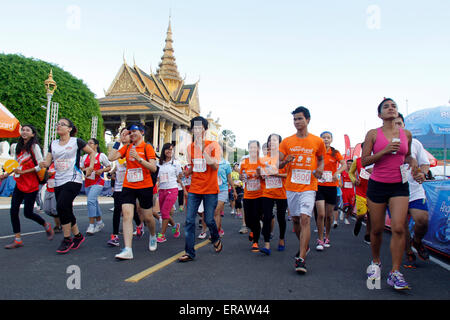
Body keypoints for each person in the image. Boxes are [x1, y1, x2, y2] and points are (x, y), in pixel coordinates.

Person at [362, 98, 418, 290]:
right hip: (377, 185)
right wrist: (384, 151)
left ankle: (395, 272)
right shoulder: (373, 134)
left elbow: (408, 155)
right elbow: (364, 161)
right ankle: (376, 262)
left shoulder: (406, 134)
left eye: (393, 106)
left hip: (399, 186)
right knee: (376, 230)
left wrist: (414, 166)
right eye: (386, 107)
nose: (391, 108)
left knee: (399, 228)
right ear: (380, 115)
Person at [279, 106, 325, 274]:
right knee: (297, 221)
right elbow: (277, 164)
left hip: (309, 186)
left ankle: (301, 258)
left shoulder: (317, 141)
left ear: (308, 120)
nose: (297, 122)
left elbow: (321, 160)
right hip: (291, 187)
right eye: (295, 119)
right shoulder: (287, 141)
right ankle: (304, 246)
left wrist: (320, 168)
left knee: (305, 218)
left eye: (300, 118)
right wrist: (285, 162)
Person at [40, 118, 96, 254]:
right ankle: (78, 236)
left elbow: (92, 152)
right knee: (65, 209)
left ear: (69, 129)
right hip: (58, 180)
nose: (59, 126)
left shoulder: (76, 141)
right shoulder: (53, 144)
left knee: (61, 206)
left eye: (62, 124)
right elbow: (48, 160)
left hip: (73, 179)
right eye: (58, 124)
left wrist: (90, 167)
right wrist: (44, 164)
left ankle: (67, 239)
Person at [108, 123, 158, 260]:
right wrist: (118, 141)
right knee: (127, 215)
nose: (132, 134)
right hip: (129, 185)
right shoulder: (127, 147)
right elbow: (111, 158)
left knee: (148, 217)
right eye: (130, 132)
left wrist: (138, 158)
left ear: (142, 132)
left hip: (145, 186)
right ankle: (128, 249)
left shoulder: (147, 148)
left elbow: (153, 168)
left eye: (134, 131)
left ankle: (153, 235)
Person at [178, 116, 223, 262]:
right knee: (190, 221)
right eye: (194, 128)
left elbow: (215, 166)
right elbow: (194, 167)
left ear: (205, 129)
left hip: (210, 189)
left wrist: (204, 151)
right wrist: (186, 172)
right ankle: (189, 252)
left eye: (199, 127)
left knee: (209, 220)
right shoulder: (190, 147)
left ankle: (215, 237)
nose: (197, 130)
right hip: (195, 189)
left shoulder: (214, 145)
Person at [2, 124, 54, 249]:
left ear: (32, 134)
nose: (24, 132)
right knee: (13, 211)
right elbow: (15, 164)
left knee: (28, 213)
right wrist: (6, 174)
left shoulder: (34, 147)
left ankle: (45, 224)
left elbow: (41, 165)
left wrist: (24, 172)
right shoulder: (19, 147)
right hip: (19, 183)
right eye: (23, 130)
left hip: (31, 184)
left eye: (27, 130)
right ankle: (18, 239)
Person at [394, 113, 431, 268]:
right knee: (401, 227)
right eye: (393, 124)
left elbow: (425, 163)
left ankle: (417, 241)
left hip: (415, 190)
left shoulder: (415, 143)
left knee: (422, 220)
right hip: (395, 191)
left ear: (404, 125)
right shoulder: (382, 144)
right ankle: (408, 251)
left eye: (399, 123)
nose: (397, 126)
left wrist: (422, 173)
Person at [107, 128, 142, 247]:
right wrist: (117, 141)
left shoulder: (132, 149)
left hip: (129, 185)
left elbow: (129, 164)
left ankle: (138, 224)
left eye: (126, 134)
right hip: (118, 186)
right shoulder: (120, 150)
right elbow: (111, 158)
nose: (124, 136)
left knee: (130, 211)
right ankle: (115, 235)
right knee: (117, 210)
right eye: (122, 135)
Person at [315, 131, 346, 250]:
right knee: (321, 214)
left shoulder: (335, 152)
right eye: (323, 137)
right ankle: (320, 239)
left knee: (328, 215)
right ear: (320, 139)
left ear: (331, 140)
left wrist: (337, 172)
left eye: (328, 138)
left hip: (332, 186)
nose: (326, 140)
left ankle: (327, 236)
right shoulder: (317, 152)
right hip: (319, 186)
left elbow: (344, 165)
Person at [260, 133, 288, 255]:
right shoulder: (263, 159)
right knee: (267, 217)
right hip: (267, 192)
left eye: (275, 140)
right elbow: (261, 174)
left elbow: (288, 174)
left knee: (281, 217)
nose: (272, 143)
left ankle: (281, 239)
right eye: (270, 140)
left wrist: (276, 174)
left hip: (281, 192)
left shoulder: (283, 158)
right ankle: (267, 244)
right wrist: (261, 174)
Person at [81, 138, 111, 235]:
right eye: (88, 143)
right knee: (94, 202)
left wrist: (101, 170)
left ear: (96, 145)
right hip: (88, 182)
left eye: (91, 143)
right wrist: (85, 169)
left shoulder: (101, 156)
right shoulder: (85, 156)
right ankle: (99, 222)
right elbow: (81, 167)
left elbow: (109, 166)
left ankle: (91, 225)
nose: (88, 144)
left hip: (98, 181)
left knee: (90, 200)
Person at [156, 142, 184, 243]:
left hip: (172, 189)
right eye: (167, 149)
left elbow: (180, 175)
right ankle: (175, 226)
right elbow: (157, 177)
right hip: (162, 190)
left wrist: (178, 179)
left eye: (171, 150)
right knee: (164, 213)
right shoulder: (159, 163)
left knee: (164, 212)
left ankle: (161, 235)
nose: (169, 151)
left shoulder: (176, 163)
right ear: (164, 150)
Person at [240, 140, 264, 252]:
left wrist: (260, 175)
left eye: (255, 147)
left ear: (258, 149)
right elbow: (241, 176)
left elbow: (265, 176)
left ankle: (255, 242)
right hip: (248, 194)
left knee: (256, 217)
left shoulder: (262, 161)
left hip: (260, 194)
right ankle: (253, 230)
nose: (253, 149)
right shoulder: (244, 161)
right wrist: (243, 178)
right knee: (248, 219)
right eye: (251, 147)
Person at [348, 144, 372, 244]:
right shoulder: (357, 161)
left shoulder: (376, 160)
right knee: (361, 214)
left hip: (373, 192)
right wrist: (354, 180)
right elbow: (350, 173)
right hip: (360, 192)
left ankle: (368, 234)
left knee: (371, 216)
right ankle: (358, 222)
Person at [215, 146, 237, 237]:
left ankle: (215, 234)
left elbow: (229, 178)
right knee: (215, 213)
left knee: (216, 211)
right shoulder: (210, 162)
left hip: (222, 190)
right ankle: (219, 228)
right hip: (211, 190)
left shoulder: (226, 164)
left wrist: (234, 190)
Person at [42, 163, 62, 233]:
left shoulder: (60, 164)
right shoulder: (49, 165)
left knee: (54, 209)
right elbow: (43, 177)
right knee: (46, 209)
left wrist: (53, 174)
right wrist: (47, 175)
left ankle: (58, 225)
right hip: (48, 189)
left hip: (56, 190)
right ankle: (62, 218)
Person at [340, 159, 355, 225]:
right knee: (346, 204)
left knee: (351, 206)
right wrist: (340, 183)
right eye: (348, 164)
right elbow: (338, 177)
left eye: (351, 164)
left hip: (351, 191)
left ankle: (346, 218)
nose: (349, 165)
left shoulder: (354, 172)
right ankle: (342, 212)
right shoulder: (343, 171)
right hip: (344, 190)